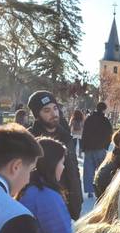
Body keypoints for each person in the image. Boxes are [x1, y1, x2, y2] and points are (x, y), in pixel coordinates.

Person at [27, 91, 83, 220]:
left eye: (55, 108)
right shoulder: (29, 139)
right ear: (37, 116)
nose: (54, 114)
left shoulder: (66, 137)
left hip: (66, 203)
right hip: (39, 207)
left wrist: (77, 200)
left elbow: (73, 170)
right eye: (46, 110)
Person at [81, 102, 114, 197]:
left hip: (88, 148)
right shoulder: (105, 120)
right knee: (102, 170)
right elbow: (109, 133)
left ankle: (90, 191)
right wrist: (106, 146)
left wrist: (83, 146)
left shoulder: (89, 119)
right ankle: (101, 189)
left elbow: (85, 133)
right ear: (104, 109)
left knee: (88, 170)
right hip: (100, 148)